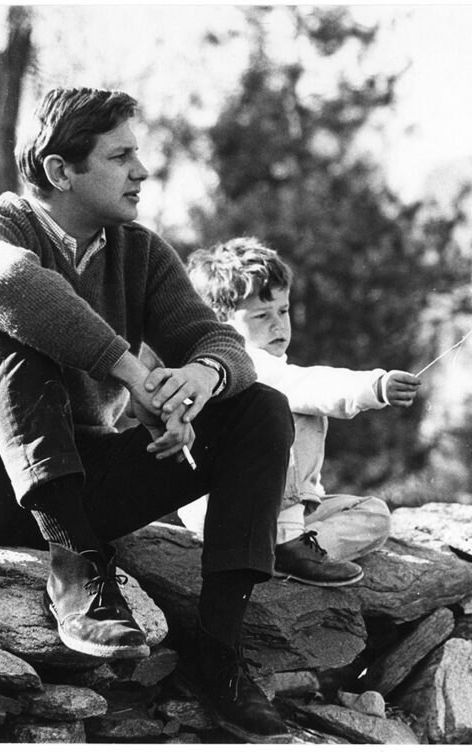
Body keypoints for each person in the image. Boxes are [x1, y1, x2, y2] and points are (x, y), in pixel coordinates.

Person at [0, 88, 294, 743]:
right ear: (61, 171)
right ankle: (78, 565)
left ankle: (219, 649)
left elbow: (219, 341)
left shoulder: (140, 251)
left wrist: (198, 380)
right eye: (120, 157)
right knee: (11, 326)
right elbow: (8, 287)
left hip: (81, 474)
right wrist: (133, 373)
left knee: (259, 408)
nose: (143, 170)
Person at [178, 237, 421, 587]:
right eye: (262, 315)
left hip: (273, 518)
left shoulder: (272, 365)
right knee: (293, 408)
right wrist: (375, 387)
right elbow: (310, 385)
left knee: (374, 514)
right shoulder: (240, 363)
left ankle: (289, 552)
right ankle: (284, 546)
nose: (278, 325)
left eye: (283, 311)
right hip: (227, 511)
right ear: (223, 322)